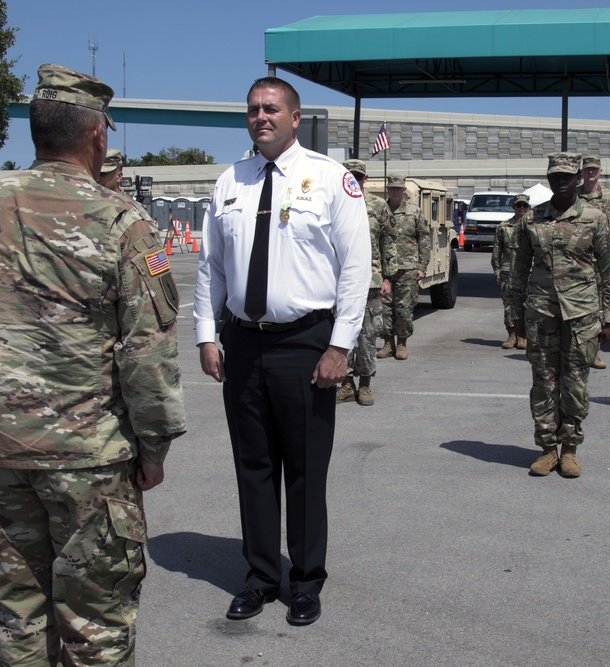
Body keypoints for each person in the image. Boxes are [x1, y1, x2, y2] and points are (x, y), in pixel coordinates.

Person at [0, 63, 186, 666]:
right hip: (88, 462)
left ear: (37, 133)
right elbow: (149, 354)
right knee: (97, 626)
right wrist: (154, 447)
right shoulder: (122, 222)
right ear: (97, 136)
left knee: (19, 617)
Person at [193, 77, 370, 625]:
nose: (260, 117)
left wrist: (340, 345)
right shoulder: (230, 182)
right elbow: (212, 267)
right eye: (252, 110)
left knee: (305, 469)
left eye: (271, 108)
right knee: (254, 466)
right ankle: (260, 576)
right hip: (244, 343)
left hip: (307, 343)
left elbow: (355, 269)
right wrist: (205, 332)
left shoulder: (330, 179)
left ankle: (306, 580)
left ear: (296, 117)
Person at [510, 153, 610, 478]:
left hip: (582, 315)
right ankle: (547, 450)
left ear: (577, 179)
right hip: (541, 314)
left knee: (574, 384)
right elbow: (519, 270)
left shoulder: (596, 219)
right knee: (543, 383)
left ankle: (570, 450)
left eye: (567, 176)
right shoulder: (532, 219)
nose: (560, 181)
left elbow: (609, 270)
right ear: (548, 179)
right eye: (554, 176)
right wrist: (514, 314)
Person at [336, 159, 396, 406]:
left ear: (365, 179)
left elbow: (389, 241)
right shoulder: (333, 203)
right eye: (350, 176)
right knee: (341, 334)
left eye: (358, 177)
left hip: (370, 280)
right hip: (339, 282)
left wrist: (387, 276)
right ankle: (346, 384)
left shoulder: (378, 205)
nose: (355, 180)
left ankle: (366, 385)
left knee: (368, 334)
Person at [577, 155, 610, 369]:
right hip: (577, 260)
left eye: (594, 169)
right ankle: (575, 351)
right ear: (581, 172)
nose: (591, 173)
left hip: (602, 260)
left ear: (601, 171)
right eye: (587, 169)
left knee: (599, 307)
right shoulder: (573, 195)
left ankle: (593, 351)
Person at [377, 174, 430, 361]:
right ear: (388, 189)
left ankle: (402, 343)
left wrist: (422, 266)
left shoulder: (414, 212)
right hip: (384, 268)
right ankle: (387, 343)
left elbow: (424, 239)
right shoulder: (380, 210)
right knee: (384, 308)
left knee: (404, 308)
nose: (395, 191)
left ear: (404, 190)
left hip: (408, 268)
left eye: (398, 188)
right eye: (392, 188)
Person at [492, 193, 530, 350]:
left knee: (527, 305)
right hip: (509, 271)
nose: (521, 208)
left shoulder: (534, 226)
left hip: (529, 271)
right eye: (518, 205)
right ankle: (512, 335)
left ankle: (523, 336)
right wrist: (497, 270)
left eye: (524, 206)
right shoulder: (504, 226)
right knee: (509, 305)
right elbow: (496, 250)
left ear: (529, 207)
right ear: (514, 207)